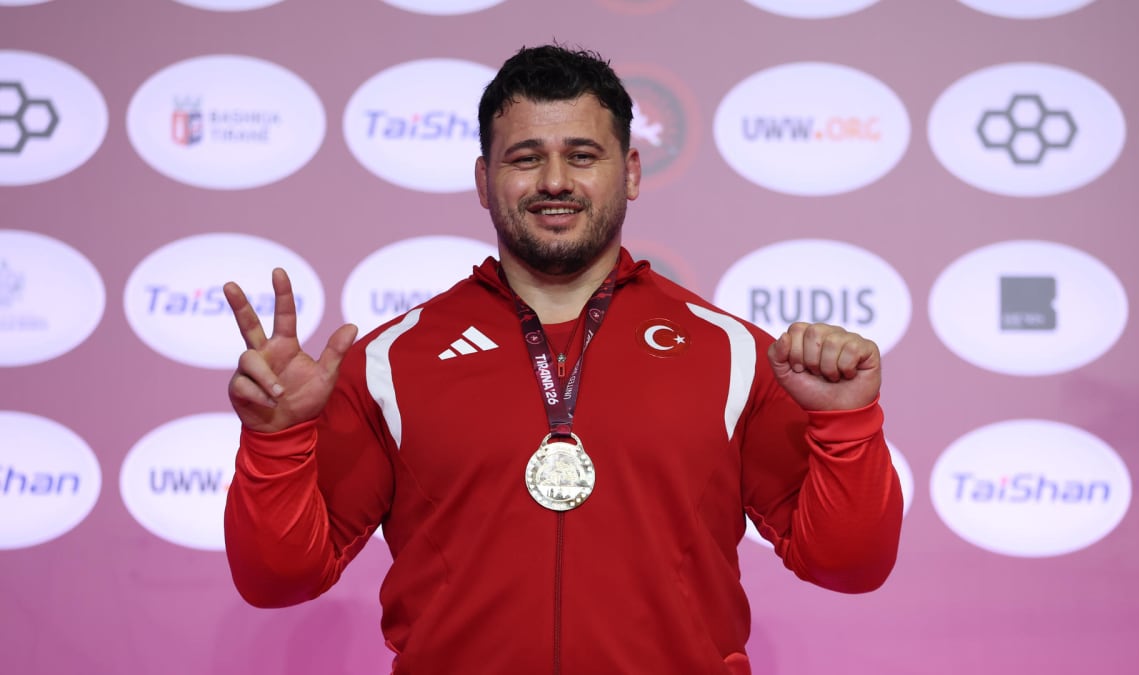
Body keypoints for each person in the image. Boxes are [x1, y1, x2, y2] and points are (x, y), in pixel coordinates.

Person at [222, 44, 903, 675]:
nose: (554, 180)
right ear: (485, 180)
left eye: (582, 155)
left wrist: (846, 424)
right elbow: (277, 580)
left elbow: (850, 565)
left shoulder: (730, 351)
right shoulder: (391, 360)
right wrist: (276, 441)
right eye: (525, 158)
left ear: (629, 172)